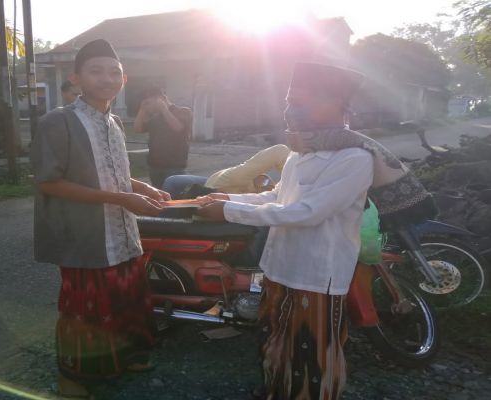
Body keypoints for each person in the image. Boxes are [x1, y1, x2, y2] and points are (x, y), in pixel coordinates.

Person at [197, 63, 376, 400]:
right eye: (289, 99)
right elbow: (279, 197)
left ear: (336, 102)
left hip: (316, 275)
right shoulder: (299, 152)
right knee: (275, 340)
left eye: (301, 101)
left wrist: (229, 211)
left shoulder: (353, 158)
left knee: (311, 354)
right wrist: (228, 197)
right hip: (280, 268)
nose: (291, 109)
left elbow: (309, 212)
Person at [30, 39, 171, 399]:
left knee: (126, 298)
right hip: (85, 235)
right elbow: (50, 182)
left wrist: (144, 188)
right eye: (96, 71)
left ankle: (124, 357)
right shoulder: (57, 121)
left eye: (114, 72)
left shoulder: (114, 123)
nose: (106, 78)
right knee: (85, 307)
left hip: (122, 232)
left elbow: (113, 173)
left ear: (124, 79)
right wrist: (122, 198)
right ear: (76, 79)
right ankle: (72, 377)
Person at [161, 144, 291, 199]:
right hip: (217, 187)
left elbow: (262, 181)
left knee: (173, 181)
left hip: (214, 182)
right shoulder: (240, 178)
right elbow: (280, 151)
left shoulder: (244, 181)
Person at [133, 85, 193, 188]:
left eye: (149, 103)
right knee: (159, 200)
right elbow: (137, 129)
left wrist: (163, 108)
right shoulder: (156, 118)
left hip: (174, 167)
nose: (149, 107)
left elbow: (178, 128)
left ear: (161, 99)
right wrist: (142, 109)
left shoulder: (183, 111)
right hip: (155, 167)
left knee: (174, 200)